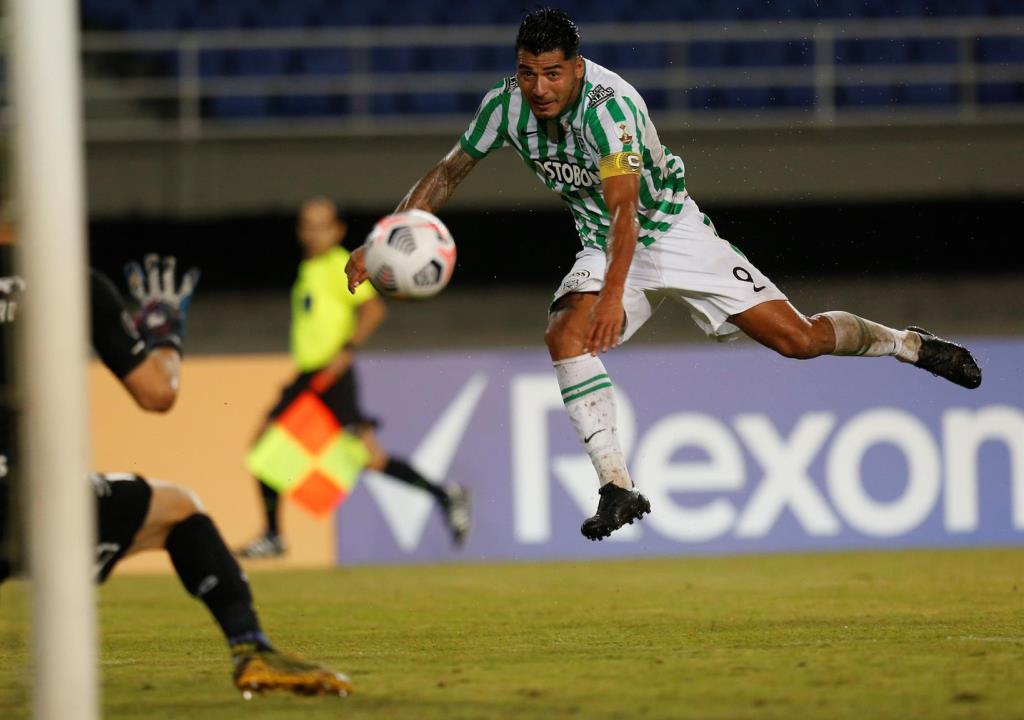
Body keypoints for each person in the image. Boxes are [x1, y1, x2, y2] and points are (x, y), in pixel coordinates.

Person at [345, 8, 982, 543]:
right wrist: (383, 243)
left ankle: (908, 345)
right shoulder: (503, 109)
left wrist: (616, 295)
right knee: (563, 334)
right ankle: (616, 487)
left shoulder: (609, 108)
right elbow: (449, 171)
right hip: (602, 242)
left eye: (552, 73)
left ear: (576, 67)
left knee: (801, 342)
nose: (538, 87)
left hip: (672, 233)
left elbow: (627, 209)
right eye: (527, 72)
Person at [0, 148, 351, 702]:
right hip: (33, 506)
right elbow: (158, 394)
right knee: (180, 508)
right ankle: (250, 649)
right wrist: (165, 331)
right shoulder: (64, 284)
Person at [239, 197, 470, 559]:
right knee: (351, 455)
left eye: (321, 226)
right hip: (309, 375)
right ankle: (445, 494)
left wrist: (345, 351)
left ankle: (273, 535)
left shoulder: (337, 265)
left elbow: (373, 309)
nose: (313, 233)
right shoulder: (309, 268)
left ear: (338, 230)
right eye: (307, 226)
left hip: (330, 374)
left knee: (353, 455)